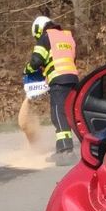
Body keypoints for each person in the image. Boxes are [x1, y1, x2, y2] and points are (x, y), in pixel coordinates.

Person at [25, 15, 78, 161]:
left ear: (39, 29)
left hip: (58, 80)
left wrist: (28, 69)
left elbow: (36, 61)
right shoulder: (67, 36)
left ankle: (66, 151)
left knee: (58, 114)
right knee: (70, 114)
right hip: (73, 79)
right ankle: (63, 149)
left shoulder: (46, 37)